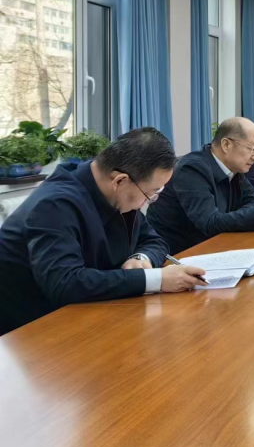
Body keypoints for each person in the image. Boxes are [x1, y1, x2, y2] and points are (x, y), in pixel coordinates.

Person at [0, 128, 207, 335]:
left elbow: (154, 241)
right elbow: (65, 283)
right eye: (151, 194)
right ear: (119, 181)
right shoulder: (54, 205)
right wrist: (157, 279)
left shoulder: (118, 194)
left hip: (88, 312)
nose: (149, 201)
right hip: (30, 331)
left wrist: (140, 258)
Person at [149, 117, 254, 254]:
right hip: (178, 256)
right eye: (252, 149)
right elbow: (210, 223)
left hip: (215, 246)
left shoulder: (235, 168)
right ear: (226, 144)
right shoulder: (192, 170)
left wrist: (230, 218)